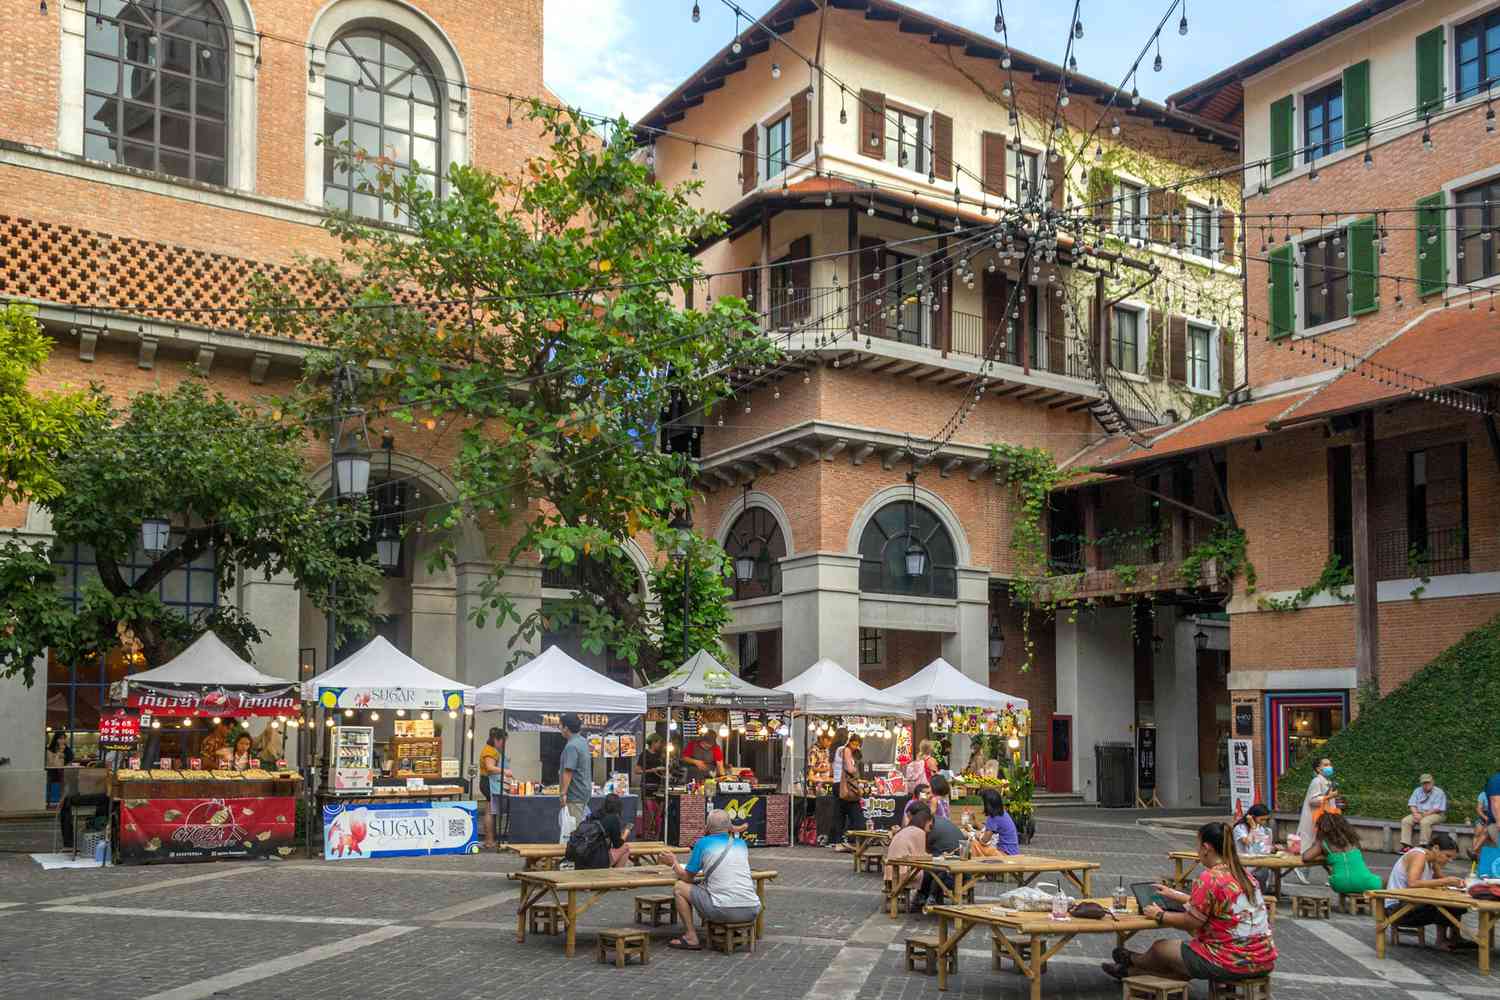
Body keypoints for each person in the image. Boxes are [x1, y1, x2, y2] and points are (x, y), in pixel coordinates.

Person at [1103, 821, 1276, 983]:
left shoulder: (1209, 878)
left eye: (1198, 845)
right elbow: (1222, 904)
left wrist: (1160, 915)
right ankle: (1128, 973)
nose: (1198, 851)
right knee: (1180, 967)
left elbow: (1192, 921)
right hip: (1263, 959)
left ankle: (1133, 959)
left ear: (1206, 848)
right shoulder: (1244, 875)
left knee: (1160, 948)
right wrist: (1174, 894)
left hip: (1229, 960)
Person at [661, 809, 761, 950]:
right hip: (752, 909)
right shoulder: (741, 844)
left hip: (723, 909)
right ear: (730, 826)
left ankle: (691, 936)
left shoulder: (703, 843)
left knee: (679, 887)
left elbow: (687, 878)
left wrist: (673, 863)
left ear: (707, 827)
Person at [1384, 832, 1464, 949]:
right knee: (1447, 906)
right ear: (1436, 848)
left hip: (1412, 904)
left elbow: (1440, 879)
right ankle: (1441, 940)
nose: (1449, 860)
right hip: (1398, 908)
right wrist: (1447, 881)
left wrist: (1458, 883)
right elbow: (1413, 883)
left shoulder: (1432, 860)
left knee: (1458, 904)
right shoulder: (1419, 856)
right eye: (1447, 856)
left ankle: (1455, 938)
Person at [1301, 811, 1382, 895]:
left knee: (1353, 882)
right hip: (1365, 882)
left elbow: (1306, 857)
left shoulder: (1323, 843)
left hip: (1339, 884)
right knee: (1386, 882)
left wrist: (1323, 852)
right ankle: (1387, 907)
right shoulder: (1353, 841)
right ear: (1344, 826)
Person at [910, 805, 964, 909]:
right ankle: (928, 896)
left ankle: (924, 897)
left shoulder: (929, 828)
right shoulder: (937, 821)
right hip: (958, 866)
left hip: (953, 873)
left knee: (923, 869)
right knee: (932, 865)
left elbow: (920, 853)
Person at [1293, 758, 1336, 884]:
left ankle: (1330, 875)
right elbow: (1313, 800)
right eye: (1326, 764)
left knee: (1323, 847)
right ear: (1318, 769)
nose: (1329, 767)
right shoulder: (1316, 781)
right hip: (1317, 819)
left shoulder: (1326, 781)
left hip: (1325, 819)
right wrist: (1329, 796)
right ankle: (1304, 869)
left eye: (1330, 764)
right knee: (1322, 846)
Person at [479, 728, 512, 849]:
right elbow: (490, 767)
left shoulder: (493, 750)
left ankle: (490, 840)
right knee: (490, 812)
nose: (504, 743)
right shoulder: (490, 751)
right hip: (489, 783)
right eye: (503, 741)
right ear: (496, 740)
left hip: (491, 783)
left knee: (491, 811)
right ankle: (489, 840)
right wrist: (505, 771)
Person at [558, 713, 593, 828]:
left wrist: (563, 793)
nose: (560, 729)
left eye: (560, 726)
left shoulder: (571, 746)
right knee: (578, 827)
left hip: (575, 795)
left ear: (566, 728)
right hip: (583, 793)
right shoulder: (583, 741)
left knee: (573, 831)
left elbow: (568, 771)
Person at [1232, 804, 1277, 895]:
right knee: (1263, 872)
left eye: (1266, 820)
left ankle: (1266, 892)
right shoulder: (1240, 828)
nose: (1264, 822)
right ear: (1252, 817)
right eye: (1262, 819)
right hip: (1244, 862)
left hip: (1258, 860)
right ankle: (1257, 895)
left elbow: (1262, 845)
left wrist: (1272, 847)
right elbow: (1248, 842)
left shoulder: (1262, 828)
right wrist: (1252, 827)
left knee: (1272, 868)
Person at [832, 734, 865, 848]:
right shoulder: (846, 750)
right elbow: (850, 769)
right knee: (855, 813)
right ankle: (855, 839)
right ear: (849, 742)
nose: (856, 747)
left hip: (838, 784)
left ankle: (838, 840)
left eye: (857, 745)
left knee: (840, 814)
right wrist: (856, 770)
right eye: (854, 744)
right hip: (844, 786)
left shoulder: (839, 750)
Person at [1401, 774, 1448, 851]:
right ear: (1421, 783)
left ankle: (1424, 846)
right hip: (1419, 813)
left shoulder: (1439, 792)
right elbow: (1412, 804)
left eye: (1428, 782)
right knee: (1405, 821)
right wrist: (1415, 814)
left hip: (1436, 814)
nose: (1426, 785)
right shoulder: (1417, 790)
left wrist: (1421, 816)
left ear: (1433, 782)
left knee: (1425, 822)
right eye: (1424, 783)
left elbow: (1437, 809)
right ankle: (1406, 846)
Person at [634, 732, 667, 840]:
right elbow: (637, 770)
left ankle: (657, 834)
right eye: (659, 742)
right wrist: (652, 770)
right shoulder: (644, 754)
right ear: (653, 743)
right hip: (647, 786)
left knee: (659, 812)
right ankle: (647, 833)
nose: (660, 745)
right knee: (649, 811)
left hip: (659, 786)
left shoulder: (660, 755)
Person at [886, 803, 931, 883]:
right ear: (925, 821)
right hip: (904, 872)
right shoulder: (919, 832)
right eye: (930, 824)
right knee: (935, 873)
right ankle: (926, 895)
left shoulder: (906, 830)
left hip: (890, 872)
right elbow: (920, 857)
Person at [974, 787, 1020, 856]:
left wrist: (975, 836)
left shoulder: (993, 817)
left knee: (974, 844)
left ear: (987, 804)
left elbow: (984, 841)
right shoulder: (1002, 813)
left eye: (982, 802)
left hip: (1005, 854)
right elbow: (987, 829)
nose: (981, 804)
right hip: (1014, 851)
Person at [597, 792, 633, 868]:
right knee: (625, 848)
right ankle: (616, 876)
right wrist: (626, 833)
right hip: (597, 861)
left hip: (584, 858)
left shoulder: (596, 815)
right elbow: (618, 844)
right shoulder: (613, 819)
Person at [1472, 771, 1500, 858]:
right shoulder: (1496, 781)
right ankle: (1475, 851)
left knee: (1485, 831)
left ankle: (1474, 850)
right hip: (1488, 818)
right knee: (1480, 830)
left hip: (1491, 819)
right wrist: (1498, 821)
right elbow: (1495, 803)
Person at [44, 732, 69, 807]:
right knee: (49, 787)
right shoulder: (50, 750)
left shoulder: (66, 749)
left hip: (61, 770)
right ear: (56, 739)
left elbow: (69, 760)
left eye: (64, 738)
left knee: (64, 787)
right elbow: (51, 762)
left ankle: (62, 803)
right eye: (60, 738)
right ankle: (47, 803)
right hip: (51, 770)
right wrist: (59, 754)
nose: (62, 741)